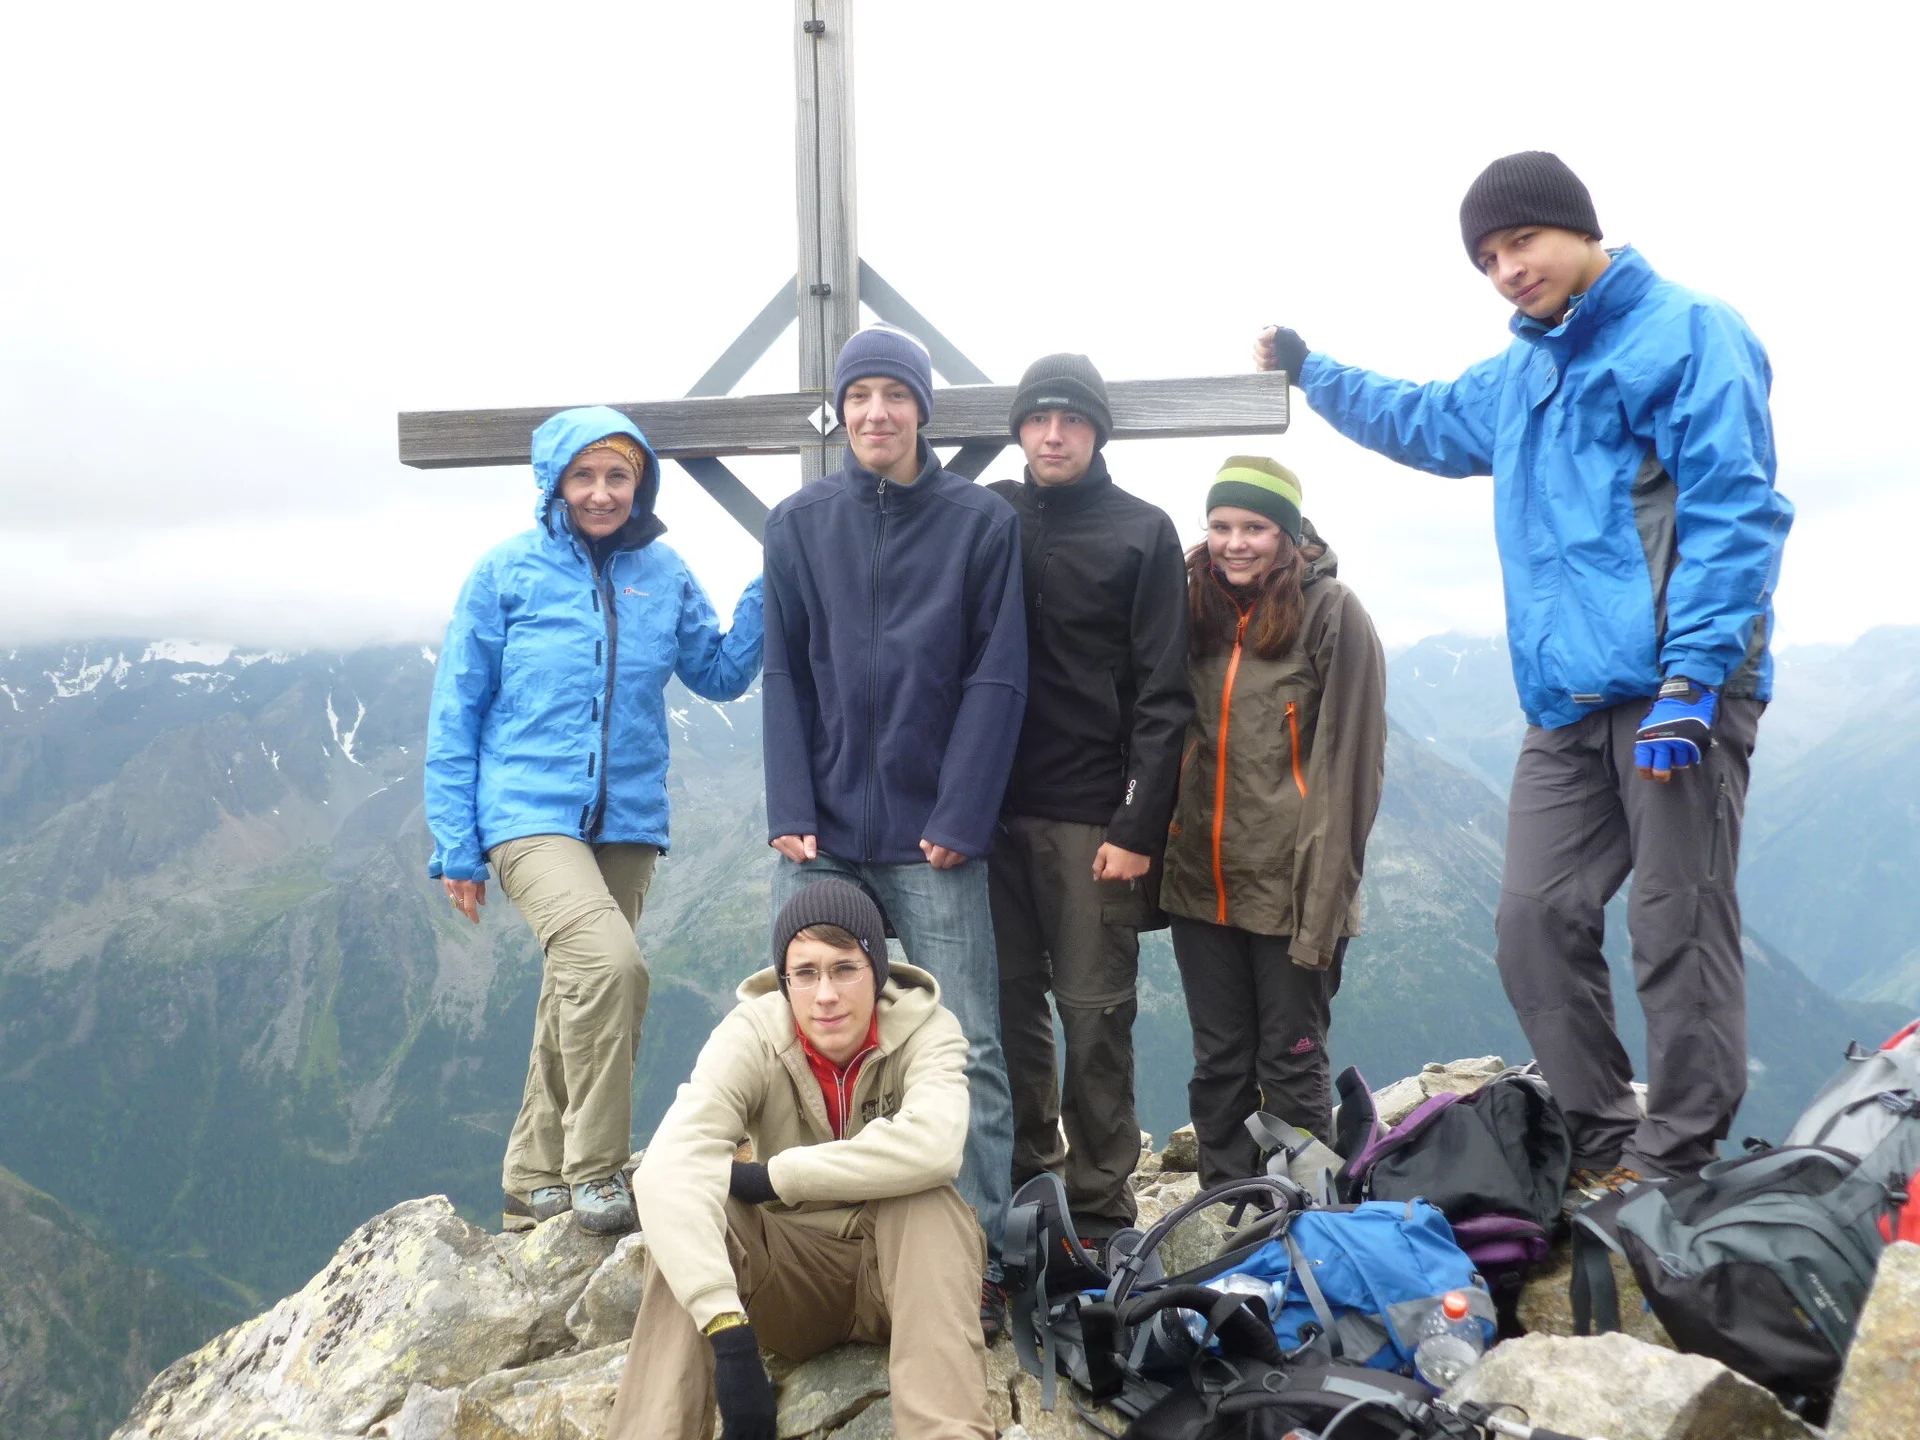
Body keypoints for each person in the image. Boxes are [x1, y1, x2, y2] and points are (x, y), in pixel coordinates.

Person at [1254, 151, 1793, 1193]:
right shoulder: (1521, 375)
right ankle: (1599, 1136)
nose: (1507, 270)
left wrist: (1694, 677)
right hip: (1564, 706)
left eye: (1522, 243)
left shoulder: (1688, 331)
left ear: (1581, 229)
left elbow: (1736, 512)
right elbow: (1417, 417)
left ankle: (1675, 1157)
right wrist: (1315, 372)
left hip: (1674, 691)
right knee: (1532, 920)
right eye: (1487, 258)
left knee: (1676, 922)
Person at [426, 405, 764, 1235]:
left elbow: (718, 674)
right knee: (613, 968)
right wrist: (456, 846)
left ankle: (530, 1178)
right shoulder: (506, 573)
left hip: (629, 822)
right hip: (526, 816)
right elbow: (456, 710)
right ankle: (597, 1171)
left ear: (640, 481)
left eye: (619, 476)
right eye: (584, 476)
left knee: (574, 990)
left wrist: (771, 585)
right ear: (554, 483)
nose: (603, 493)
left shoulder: (665, 571)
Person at [760, 323, 1025, 1329]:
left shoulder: (978, 524)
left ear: (924, 408)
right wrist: (790, 806)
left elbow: (998, 678)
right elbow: (783, 669)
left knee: (970, 1046)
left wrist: (961, 813)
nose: (876, 412)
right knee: (798, 1039)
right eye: (859, 396)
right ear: (842, 409)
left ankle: (980, 1257)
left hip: (931, 834)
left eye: (895, 395)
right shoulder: (797, 523)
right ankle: (824, 1254)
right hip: (817, 830)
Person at [606, 879, 992, 1440]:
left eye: (844, 968)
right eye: (805, 974)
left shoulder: (929, 1029)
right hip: (792, 1285)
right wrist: (728, 1334)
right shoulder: (754, 1035)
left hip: (905, 1281)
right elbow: (667, 1165)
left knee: (930, 1201)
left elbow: (936, 1146)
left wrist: (773, 1177)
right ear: (785, 982)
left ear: (877, 971)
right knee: (691, 1216)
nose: (825, 994)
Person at [985, 353, 1192, 1243]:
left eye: (1071, 419)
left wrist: (1137, 825)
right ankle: (1031, 1185)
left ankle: (1105, 1208)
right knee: (1004, 1011)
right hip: (983, 812)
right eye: (1038, 419)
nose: (1053, 434)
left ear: (1098, 430)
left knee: (1094, 1015)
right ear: (1020, 430)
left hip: (1091, 818)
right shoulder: (985, 516)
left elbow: (1164, 693)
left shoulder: (1143, 532)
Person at [1160, 457, 1386, 1188]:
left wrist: (1322, 904)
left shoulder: (1332, 612)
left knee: (1289, 1059)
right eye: (1221, 526)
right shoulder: (1189, 604)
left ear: (1288, 534)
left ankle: (1303, 1215)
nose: (1235, 542)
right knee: (1217, 1061)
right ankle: (1224, 1214)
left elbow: (1350, 766)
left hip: (1293, 887)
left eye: (1255, 527)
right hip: (1201, 882)